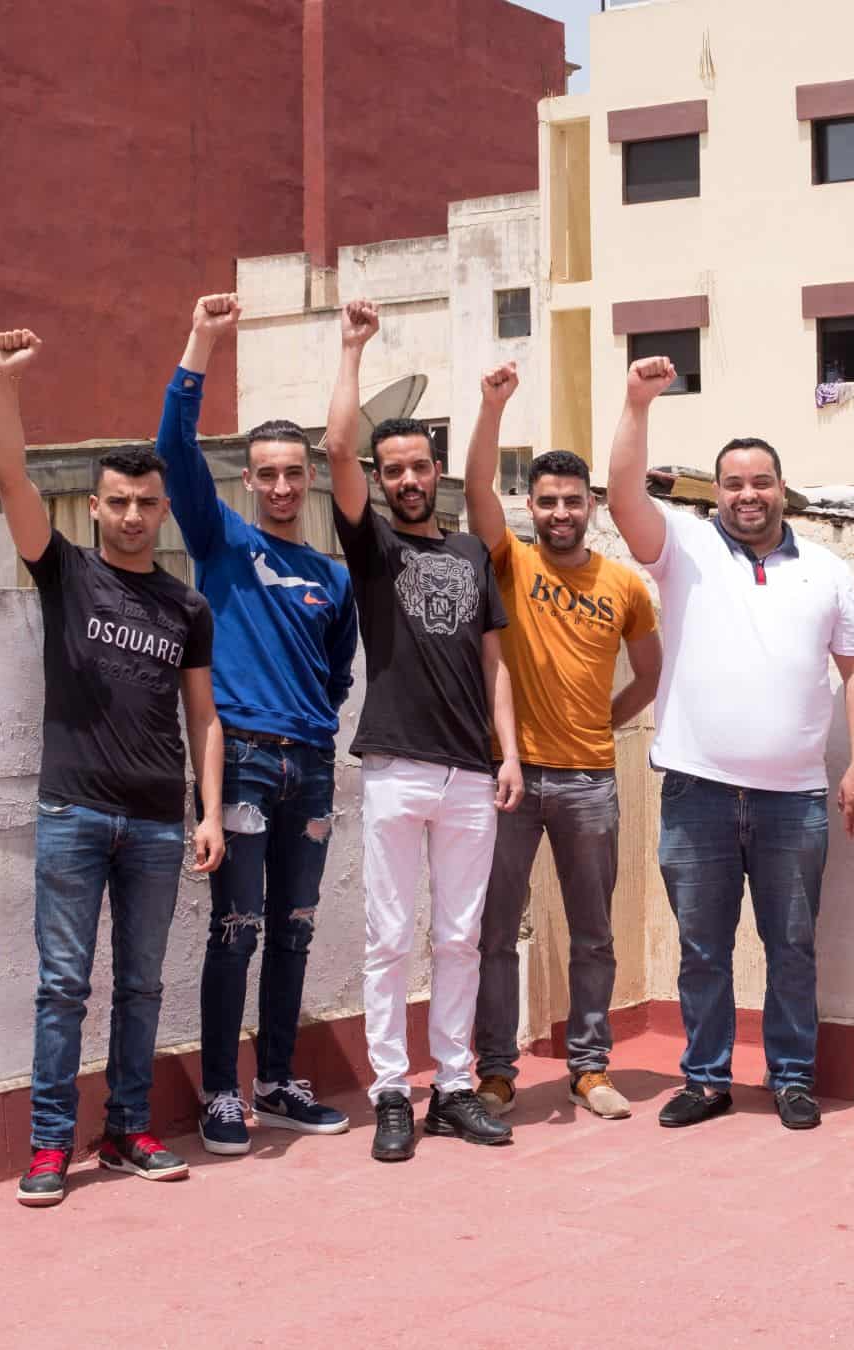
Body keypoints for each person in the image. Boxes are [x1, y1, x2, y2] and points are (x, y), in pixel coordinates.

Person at [605, 356, 854, 1131]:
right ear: (716, 491)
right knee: (702, 949)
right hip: (697, 791)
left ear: (781, 489)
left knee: (791, 946)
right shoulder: (682, 549)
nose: (748, 494)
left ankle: (792, 1077)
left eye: (761, 482)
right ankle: (707, 1077)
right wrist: (637, 403)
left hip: (795, 798)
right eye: (733, 483)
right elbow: (624, 495)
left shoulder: (827, 571)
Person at [0, 329, 226, 1207]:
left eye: (145, 503)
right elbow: (10, 477)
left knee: (141, 984)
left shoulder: (185, 604)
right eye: (117, 501)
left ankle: (127, 1129)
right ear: (92, 506)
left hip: (161, 822)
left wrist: (207, 812)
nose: (131, 514)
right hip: (74, 814)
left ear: (163, 511)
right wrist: (4, 385)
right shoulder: (66, 574)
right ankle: (51, 1145)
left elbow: (204, 715)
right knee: (61, 987)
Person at [154, 293, 358, 1156]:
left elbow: (337, 672)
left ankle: (276, 1081)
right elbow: (171, 448)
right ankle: (223, 1096)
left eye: (292, 472)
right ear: (248, 481)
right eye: (265, 473)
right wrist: (203, 339)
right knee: (234, 931)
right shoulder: (223, 542)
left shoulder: (332, 576)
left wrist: (313, 733)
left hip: (310, 769)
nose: (280, 486)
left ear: (308, 477)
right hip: (236, 764)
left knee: (294, 929)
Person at [324, 299, 523, 1161]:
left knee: (460, 937)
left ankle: (452, 1086)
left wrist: (508, 752)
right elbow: (334, 447)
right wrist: (352, 349)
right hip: (398, 767)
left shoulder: (471, 555)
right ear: (379, 476)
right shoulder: (372, 547)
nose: (405, 479)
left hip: (471, 775)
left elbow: (496, 662)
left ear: (434, 470)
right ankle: (390, 1093)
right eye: (391, 468)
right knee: (389, 938)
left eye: (416, 467)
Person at [460, 361, 662, 1121]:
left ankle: (588, 1067)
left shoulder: (624, 586)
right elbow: (478, 488)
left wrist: (606, 721)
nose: (559, 513)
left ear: (591, 506)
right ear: (533, 508)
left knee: (594, 935)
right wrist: (492, 408)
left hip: (590, 784)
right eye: (546, 501)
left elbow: (648, 674)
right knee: (495, 933)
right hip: (510, 777)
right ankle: (498, 1071)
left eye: (572, 501)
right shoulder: (509, 562)